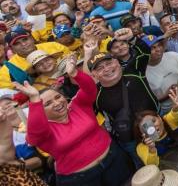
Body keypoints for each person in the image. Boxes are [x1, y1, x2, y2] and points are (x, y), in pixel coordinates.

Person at [14, 57, 133, 186]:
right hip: (81, 179)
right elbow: (35, 134)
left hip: (115, 161)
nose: (57, 103)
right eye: (47, 104)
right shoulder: (43, 130)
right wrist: (35, 99)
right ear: (40, 112)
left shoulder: (77, 106)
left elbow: (90, 89)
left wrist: (75, 74)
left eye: (58, 97)